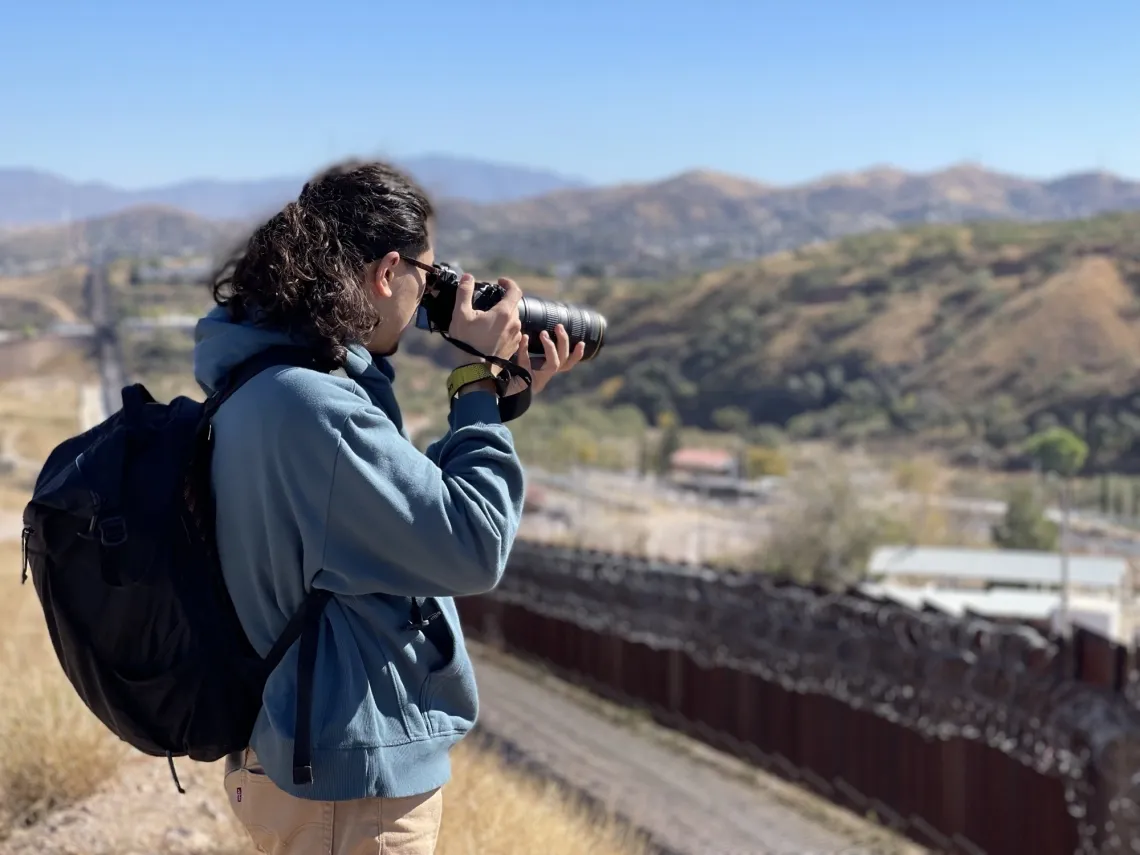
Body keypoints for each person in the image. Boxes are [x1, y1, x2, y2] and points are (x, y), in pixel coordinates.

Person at [192, 159, 584, 855]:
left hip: (310, 755)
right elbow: (471, 544)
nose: (431, 300)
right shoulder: (316, 407)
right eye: (430, 280)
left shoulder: (275, 382)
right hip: (348, 781)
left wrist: (494, 407)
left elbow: (384, 518)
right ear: (386, 272)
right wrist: (472, 385)